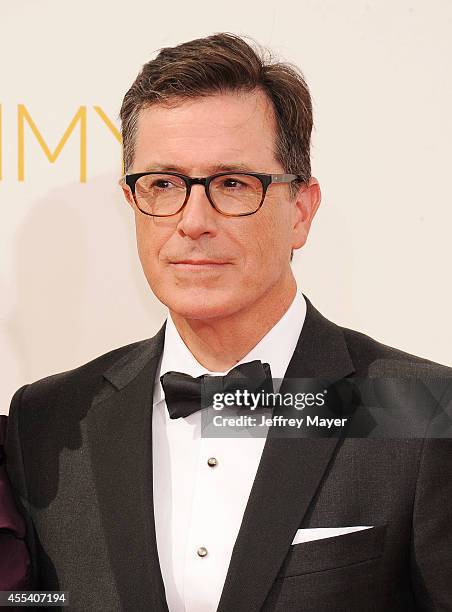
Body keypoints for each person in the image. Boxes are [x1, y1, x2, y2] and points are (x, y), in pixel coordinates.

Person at [5, 32, 452, 611]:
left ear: (301, 210)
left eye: (232, 184)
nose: (193, 220)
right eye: (163, 184)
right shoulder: (47, 422)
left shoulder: (418, 413)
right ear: (131, 202)